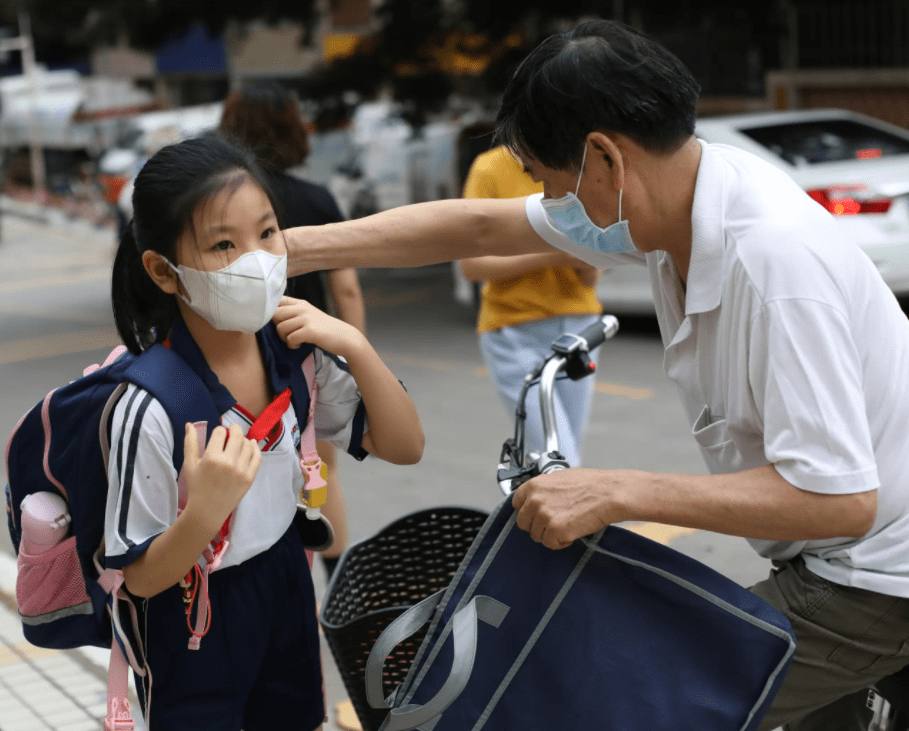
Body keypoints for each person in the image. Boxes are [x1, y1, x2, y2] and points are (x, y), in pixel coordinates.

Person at [280, 19, 909, 731]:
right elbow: (480, 229)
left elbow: (840, 500)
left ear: (603, 158)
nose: (550, 204)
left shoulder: (771, 266)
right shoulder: (687, 196)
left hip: (876, 578)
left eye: (548, 182)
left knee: (630, 704)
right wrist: (286, 249)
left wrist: (615, 489)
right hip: (830, 559)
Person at [106, 134, 423, 731]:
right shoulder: (147, 404)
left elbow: (405, 447)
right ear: (163, 271)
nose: (256, 259)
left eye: (267, 233)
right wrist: (204, 514)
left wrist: (352, 342)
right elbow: (140, 575)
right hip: (193, 613)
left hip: (284, 578)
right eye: (223, 244)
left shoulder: (295, 356)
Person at [219, 80, 366, 581]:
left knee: (245, 485)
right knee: (319, 476)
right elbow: (345, 291)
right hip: (308, 360)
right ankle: (339, 595)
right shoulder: (316, 199)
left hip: (238, 362)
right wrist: (353, 360)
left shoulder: (219, 204)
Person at [459, 144, 602, 467]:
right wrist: (553, 254)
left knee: (556, 460)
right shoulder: (489, 168)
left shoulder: (576, 159)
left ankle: (533, 515)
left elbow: (590, 278)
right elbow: (472, 267)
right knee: (562, 461)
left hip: (580, 329)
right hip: (513, 331)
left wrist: (587, 257)